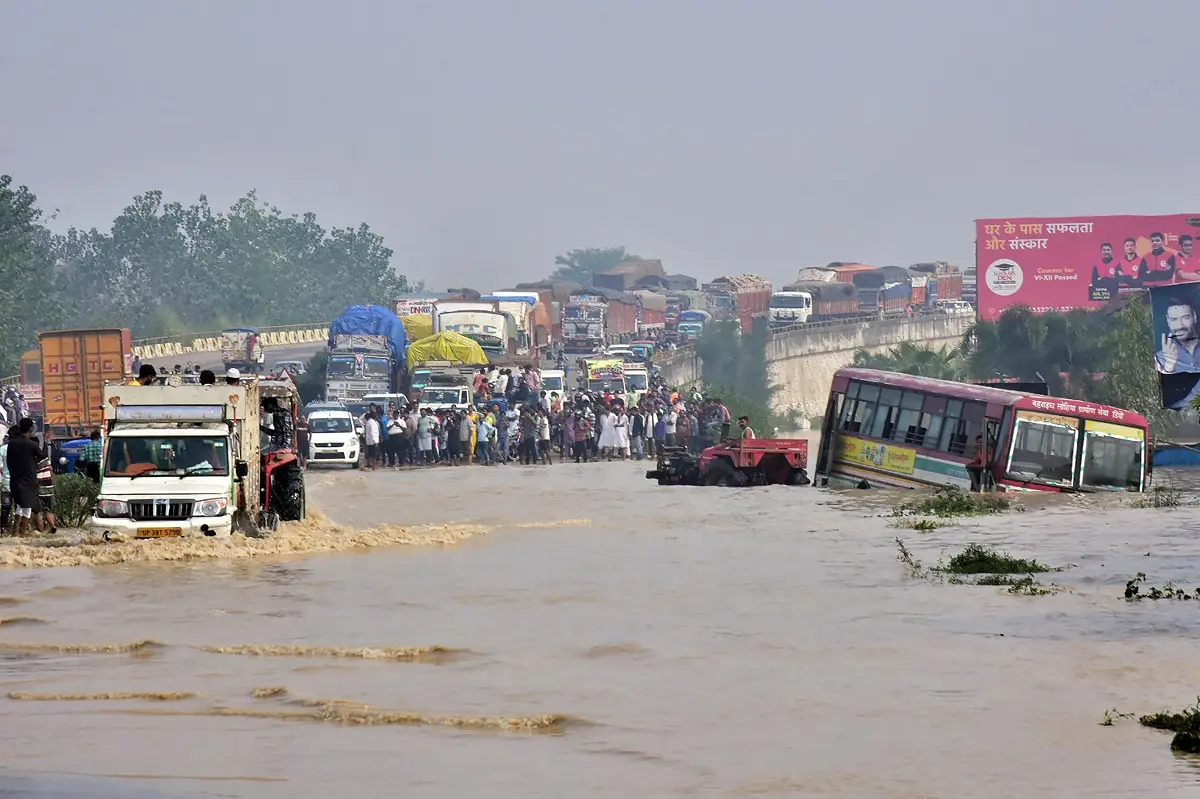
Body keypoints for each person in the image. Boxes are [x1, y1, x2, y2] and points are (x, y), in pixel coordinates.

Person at [6, 419, 41, 536]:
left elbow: (9, 462)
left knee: (19, 506)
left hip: (15, 480)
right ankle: (21, 534)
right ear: (31, 429)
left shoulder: (11, 444)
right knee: (27, 508)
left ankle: (14, 532)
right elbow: (43, 457)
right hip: (29, 480)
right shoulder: (32, 445)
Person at [1156, 295, 1200, 373]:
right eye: (1174, 319)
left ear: (1195, 317)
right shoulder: (1160, 358)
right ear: (1168, 321)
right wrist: (1169, 368)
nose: (1180, 325)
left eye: (1185, 317)